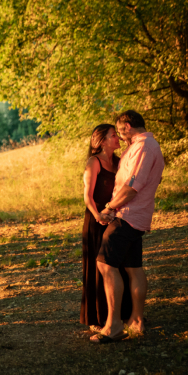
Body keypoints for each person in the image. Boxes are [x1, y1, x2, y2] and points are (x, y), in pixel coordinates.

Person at [90, 110, 165, 344]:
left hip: (127, 216)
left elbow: (132, 187)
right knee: (133, 267)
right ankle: (136, 320)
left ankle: (113, 327)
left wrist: (109, 208)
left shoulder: (144, 147)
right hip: (137, 217)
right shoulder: (143, 146)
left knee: (104, 263)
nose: (120, 137)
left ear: (128, 125)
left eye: (119, 131)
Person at [81, 124, 132, 332]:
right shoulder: (94, 162)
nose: (118, 138)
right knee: (97, 268)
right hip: (95, 220)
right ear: (102, 141)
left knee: (117, 267)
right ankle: (98, 316)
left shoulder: (120, 162)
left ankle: (120, 314)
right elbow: (87, 195)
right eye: (114, 135)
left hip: (115, 219)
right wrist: (98, 215)